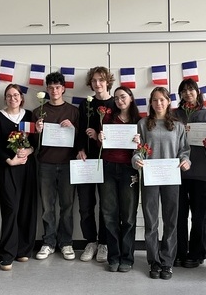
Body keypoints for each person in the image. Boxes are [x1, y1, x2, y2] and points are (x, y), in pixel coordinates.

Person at [132, 86, 191, 280]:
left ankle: (167, 261)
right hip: (150, 177)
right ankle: (154, 261)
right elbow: (137, 150)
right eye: (155, 100)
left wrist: (185, 161)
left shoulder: (178, 126)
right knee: (151, 221)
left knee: (171, 220)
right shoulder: (143, 124)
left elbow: (184, 150)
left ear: (168, 102)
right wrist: (136, 160)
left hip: (171, 177)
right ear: (150, 103)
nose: (158, 103)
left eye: (162, 100)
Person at [0, 84, 37, 271]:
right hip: (7, 167)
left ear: (21, 97)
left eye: (16, 95)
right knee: (10, 208)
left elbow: (34, 142)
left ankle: (23, 249)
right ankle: (7, 253)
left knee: (27, 207)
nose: (12, 98)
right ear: (5, 98)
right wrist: (9, 160)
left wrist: (29, 151)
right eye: (9, 96)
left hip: (27, 167)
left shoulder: (29, 115)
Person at [33, 71, 79, 261]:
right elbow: (32, 143)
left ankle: (66, 242)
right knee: (47, 207)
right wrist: (37, 131)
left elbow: (81, 141)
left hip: (68, 164)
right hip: (46, 164)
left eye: (57, 87)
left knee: (67, 206)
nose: (54, 91)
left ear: (63, 89)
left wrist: (73, 129)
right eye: (51, 88)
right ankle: (49, 242)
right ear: (46, 89)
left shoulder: (74, 111)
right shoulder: (38, 112)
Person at [173, 79, 206, 268]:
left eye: (191, 89)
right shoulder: (174, 115)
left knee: (199, 216)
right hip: (177, 173)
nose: (187, 93)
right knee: (179, 216)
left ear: (197, 92)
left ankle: (198, 253)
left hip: (200, 173)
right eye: (183, 90)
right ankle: (179, 252)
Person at [98, 86, 141, 273]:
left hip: (129, 169)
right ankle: (113, 257)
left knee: (129, 216)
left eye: (123, 97)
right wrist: (100, 137)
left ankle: (127, 257)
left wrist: (140, 142)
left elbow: (146, 148)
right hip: (108, 167)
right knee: (109, 215)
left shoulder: (139, 120)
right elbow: (101, 144)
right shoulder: (108, 118)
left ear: (130, 98)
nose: (119, 101)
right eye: (116, 98)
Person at [76, 66, 115, 263]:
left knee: (106, 205)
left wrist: (100, 137)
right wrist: (80, 148)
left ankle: (104, 243)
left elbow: (120, 131)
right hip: (86, 161)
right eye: (94, 80)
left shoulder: (115, 102)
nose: (97, 83)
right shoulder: (86, 104)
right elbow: (79, 129)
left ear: (108, 81)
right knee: (85, 204)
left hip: (108, 160)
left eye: (101, 80)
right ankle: (90, 241)